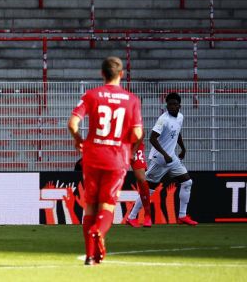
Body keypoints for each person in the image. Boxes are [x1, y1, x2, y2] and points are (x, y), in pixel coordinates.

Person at [67, 56, 143, 266]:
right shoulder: (132, 100)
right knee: (107, 206)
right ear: (121, 74)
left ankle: (91, 256)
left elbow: (73, 123)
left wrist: (79, 140)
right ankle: (97, 231)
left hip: (92, 156)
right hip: (117, 158)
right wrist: (126, 143)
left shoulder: (91, 95)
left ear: (102, 74)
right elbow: (137, 133)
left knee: (90, 206)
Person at [128, 92, 196, 226]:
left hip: (172, 159)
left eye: (174, 104)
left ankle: (182, 216)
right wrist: (164, 154)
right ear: (167, 106)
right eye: (169, 105)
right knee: (148, 190)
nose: (172, 107)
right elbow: (152, 138)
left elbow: (177, 133)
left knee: (187, 182)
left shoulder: (180, 117)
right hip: (159, 160)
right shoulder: (163, 119)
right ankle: (132, 216)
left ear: (179, 106)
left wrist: (183, 148)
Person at [123, 142, 154, 227]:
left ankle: (147, 216)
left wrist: (132, 152)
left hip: (135, 147)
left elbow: (141, 134)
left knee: (142, 180)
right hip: (119, 145)